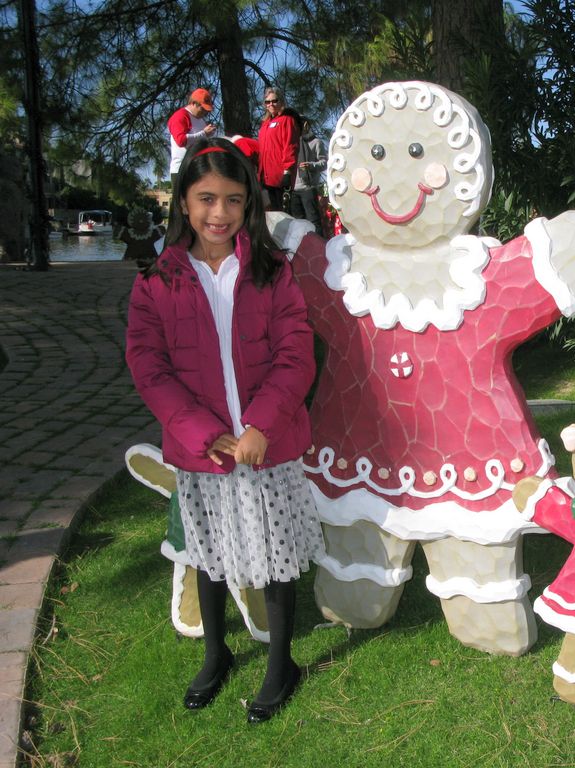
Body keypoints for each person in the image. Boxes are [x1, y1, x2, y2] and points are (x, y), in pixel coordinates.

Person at [125, 136, 325, 724]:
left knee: (278, 552)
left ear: (249, 206)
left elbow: (295, 352)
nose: (219, 213)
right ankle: (216, 655)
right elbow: (149, 364)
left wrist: (263, 423)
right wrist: (199, 432)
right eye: (206, 198)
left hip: (269, 444)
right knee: (209, 555)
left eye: (233, 200)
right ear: (183, 203)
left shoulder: (271, 271)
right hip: (203, 450)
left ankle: (281, 662)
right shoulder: (156, 281)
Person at [256, 86, 299, 211]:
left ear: (281, 101)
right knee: (271, 214)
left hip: (280, 176)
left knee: (283, 212)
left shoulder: (287, 120)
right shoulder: (265, 125)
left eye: (275, 101)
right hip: (265, 177)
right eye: (268, 102)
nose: (271, 104)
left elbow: (290, 146)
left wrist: (287, 171)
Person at [168, 88, 216, 191]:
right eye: (202, 108)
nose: (204, 112)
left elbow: (200, 142)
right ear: (193, 103)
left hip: (198, 168)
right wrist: (204, 133)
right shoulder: (180, 116)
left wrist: (208, 135)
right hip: (182, 169)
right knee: (181, 205)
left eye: (206, 110)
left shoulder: (201, 120)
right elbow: (181, 141)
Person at [289, 117, 327, 235]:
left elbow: (324, 163)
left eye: (299, 123)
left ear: (306, 124)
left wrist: (311, 165)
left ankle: (320, 247)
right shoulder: (291, 144)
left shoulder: (316, 142)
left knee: (313, 221)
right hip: (293, 189)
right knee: (298, 223)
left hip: (308, 187)